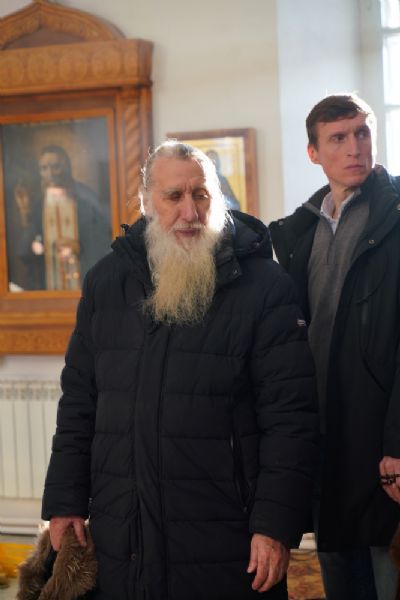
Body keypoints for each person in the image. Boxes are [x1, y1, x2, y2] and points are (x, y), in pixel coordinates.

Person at [41, 141, 319, 600]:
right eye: (174, 196)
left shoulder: (264, 286)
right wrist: (65, 501)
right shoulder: (106, 282)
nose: (190, 212)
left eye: (201, 195)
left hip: (227, 532)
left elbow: (291, 417)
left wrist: (275, 525)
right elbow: (79, 402)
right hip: (123, 528)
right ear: (147, 201)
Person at [269, 93, 400, 600]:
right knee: (341, 577)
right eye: (338, 138)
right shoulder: (299, 231)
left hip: (382, 440)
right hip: (324, 433)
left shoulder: (395, 216)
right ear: (313, 153)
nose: (354, 148)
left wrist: (397, 443)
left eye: (362, 133)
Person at [9, 145, 111, 291]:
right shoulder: (39, 204)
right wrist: (25, 214)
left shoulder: (85, 197)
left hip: (82, 282)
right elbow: (26, 251)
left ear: (67, 168)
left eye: (56, 167)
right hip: (49, 285)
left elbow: (102, 240)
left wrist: (78, 246)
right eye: (44, 168)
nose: (50, 173)